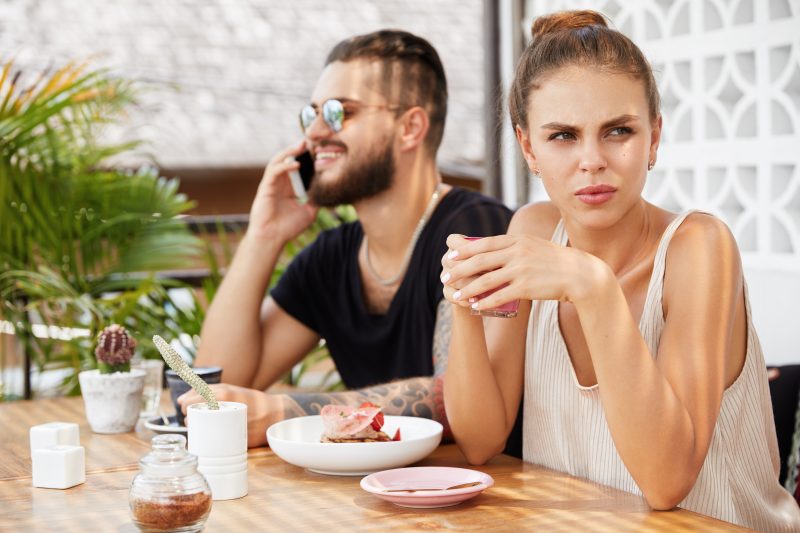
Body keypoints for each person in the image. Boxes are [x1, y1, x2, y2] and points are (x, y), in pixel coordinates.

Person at [440, 10, 800, 532]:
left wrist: (591, 285)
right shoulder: (533, 232)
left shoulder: (700, 248)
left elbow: (666, 481)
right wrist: (466, 303)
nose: (592, 160)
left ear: (653, 138)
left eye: (618, 131)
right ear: (528, 148)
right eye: (563, 135)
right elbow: (480, 440)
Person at [179, 29, 511, 448]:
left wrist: (287, 412)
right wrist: (263, 237)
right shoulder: (331, 257)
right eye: (311, 113)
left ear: (410, 127)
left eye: (339, 112)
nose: (315, 133)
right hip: (370, 500)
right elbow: (217, 387)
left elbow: (449, 397)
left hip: (478, 496)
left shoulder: (475, 228)